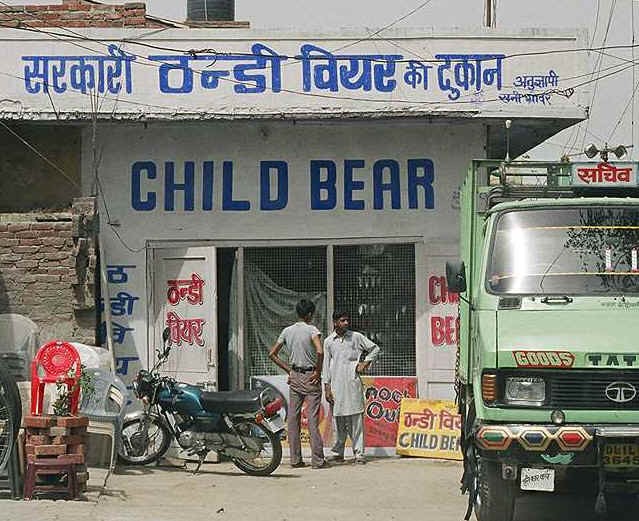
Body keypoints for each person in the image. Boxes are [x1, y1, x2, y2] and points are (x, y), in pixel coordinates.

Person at [269, 299, 329, 469]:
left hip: (295, 376)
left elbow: (272, 354)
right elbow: (320, 351)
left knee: (293, 419)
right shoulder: (312, 330)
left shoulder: (287, 331)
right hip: (310, 377)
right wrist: (318, 371)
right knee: (312, 419)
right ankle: (317, 460)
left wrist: (289, 370)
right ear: (309, 314)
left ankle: (295, 459)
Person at [322, 310, 381, 464]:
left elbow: (375, 348)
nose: (346, 323)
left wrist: (365, 363)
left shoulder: (356, 337)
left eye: (347, 320)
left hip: (352, 382)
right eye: (342, 320)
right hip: (336, 385)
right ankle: (338, 452)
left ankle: (359, 454)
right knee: (338, 421)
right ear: (335, 322)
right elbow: (326, 366)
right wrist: (327, 388)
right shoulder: (329, 341)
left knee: (356, 420)